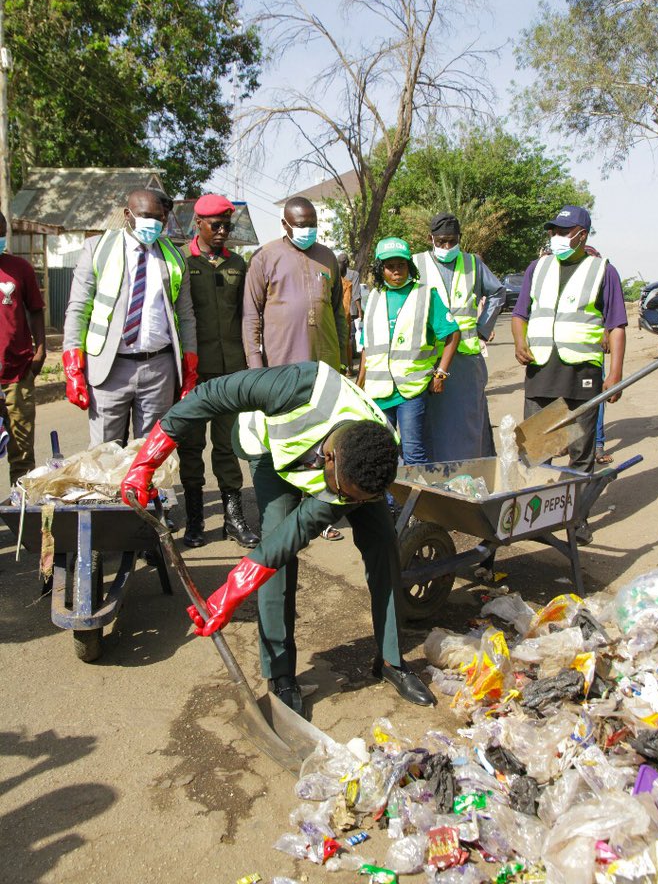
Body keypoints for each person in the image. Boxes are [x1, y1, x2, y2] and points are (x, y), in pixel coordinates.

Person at [120, 362, 436, 713]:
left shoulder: (379, 453)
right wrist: (147, 461)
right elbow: (208, 397)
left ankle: (391, 660)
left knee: (383, 545)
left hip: (351, 470)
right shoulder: (292, 388)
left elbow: (300, 529)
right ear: (327, 460)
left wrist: (231, 590)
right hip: (272, 451)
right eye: (343, 494)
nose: (346, 505)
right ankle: (281, 675)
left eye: (352, 500)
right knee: (278, 554)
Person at [242, 195, 348, 539]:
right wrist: (256, 368)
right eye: (300, 225)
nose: (307, 231)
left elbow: (337, 312)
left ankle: (321, 513)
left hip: (323, 367)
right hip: (280, 369)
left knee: (321, 441)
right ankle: (281, 516)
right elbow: (250, 317)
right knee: (284, 441)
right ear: (285, 225)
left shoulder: (328, 257)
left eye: (312, 224)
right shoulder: (265, 257)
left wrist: (342, 358)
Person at [62, 187, 198, 444]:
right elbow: (78, 309)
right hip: (110, 367)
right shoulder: (97, 248)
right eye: (145, 216)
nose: (154, 224)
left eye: (159, 218)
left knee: (151, 453)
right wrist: (73, 369)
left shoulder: (175, 256)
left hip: (159, 369)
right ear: (128, 214)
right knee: (105, 452)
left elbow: (186, 315)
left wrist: (189, 369)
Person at [511, 204, 627, 485]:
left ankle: (577, 520)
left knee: (580, 451)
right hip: (541, 371)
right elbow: (519, 314)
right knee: (537, 450)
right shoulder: (537, 268)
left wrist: (615, 374)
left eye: (564, 231)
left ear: (582, 235)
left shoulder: (603, 271)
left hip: (581, 374)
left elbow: (616, 326)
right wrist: (518, 342)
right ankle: (536, 519)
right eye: (554, 231)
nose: (556, 236)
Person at [176, 195, 259, 549]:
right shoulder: (180, 260)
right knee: (191, 445)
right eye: (217, 225)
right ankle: (194, 520)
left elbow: (248, 316)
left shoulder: (238, 264)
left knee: (226, 446)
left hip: (229, 372)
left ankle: (233, 517)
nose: (224, 231)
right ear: (199, 224)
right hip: (193, 372)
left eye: (228, 225)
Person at [357, 237, 460, 464]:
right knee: (381, 454)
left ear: (409, 266)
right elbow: (368, 347)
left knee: (413, 452)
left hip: (411, 391)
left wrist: (441, 373)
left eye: (401, 265)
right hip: (378, 392)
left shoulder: (425, 295)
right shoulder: (373, 298)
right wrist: (359, 385)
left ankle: (417, 499)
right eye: (390, 266)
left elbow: (452, 334)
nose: (396, 271)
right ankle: (388, 500)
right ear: (380, 269)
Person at [414, 213, 506, 461]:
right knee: (430, 421)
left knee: (468, 420)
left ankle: (471, 474)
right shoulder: (415, 264)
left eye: (452, 241)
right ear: (430, 238)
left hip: (466, 358)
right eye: (441, 241)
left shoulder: (473, 263)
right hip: (429, 356)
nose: (446, 247)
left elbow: (498, 292)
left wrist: (482, 328)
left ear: (459, 239)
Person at [0, 212, 46, 483]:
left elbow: (36, 310)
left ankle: (21, 516)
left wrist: (40, 350)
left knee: (22, 454)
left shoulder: (20, 268)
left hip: (17, 373)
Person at [337, 251, 363, 373]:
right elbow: (356, 294)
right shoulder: (354, 274)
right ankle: (350, 367)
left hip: (337, 310)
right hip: (350, 310)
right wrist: (359, 310)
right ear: (347, 262)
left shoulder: (334, 275)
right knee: (349, 337)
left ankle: (344, 366)